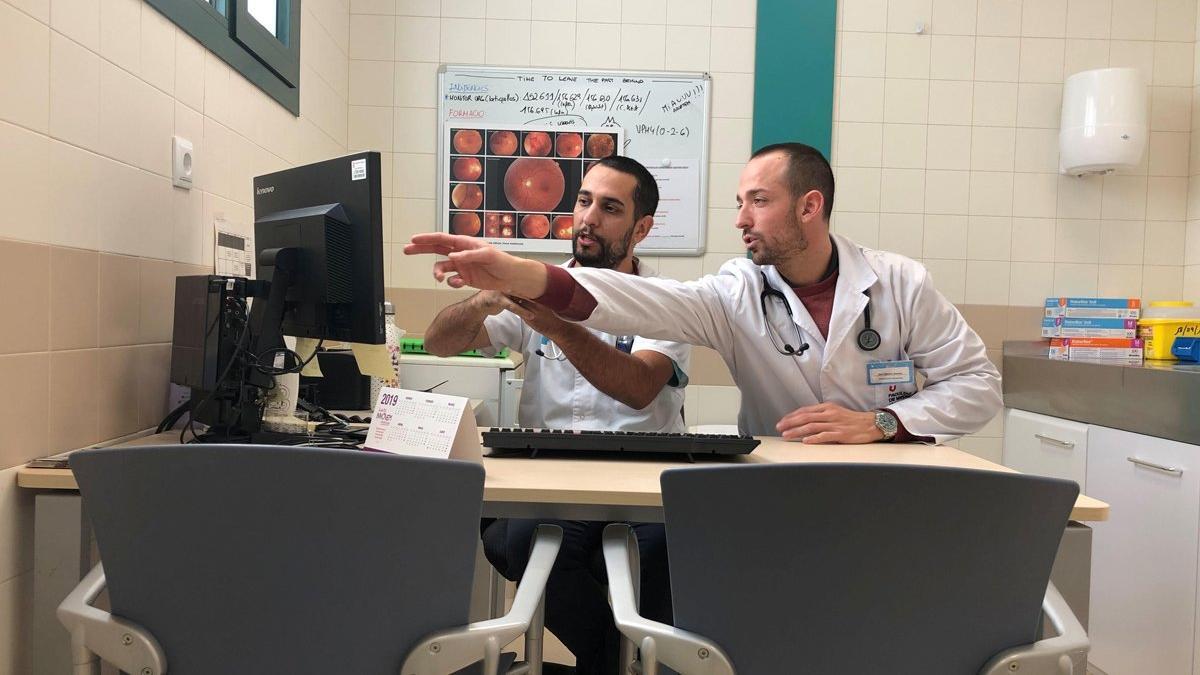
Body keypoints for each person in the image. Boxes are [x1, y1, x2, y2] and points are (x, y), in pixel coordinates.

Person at [406, 142, 1002, 444]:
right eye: (738, 203)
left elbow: (979, 385)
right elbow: (643, 302)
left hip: (888, 478)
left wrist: (884, 422)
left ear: (809, 206)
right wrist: (519, 277)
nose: (741, 219)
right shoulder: (736, 290)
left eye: (757, 202)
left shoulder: (900, 284)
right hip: (783, 482)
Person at [424, 155, 688, 675]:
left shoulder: (668, 302)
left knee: (665, 559)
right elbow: (437, 343)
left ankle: (639, 663)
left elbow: (638, 388)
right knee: (517, 539)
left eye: (609, 208)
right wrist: (483, 300)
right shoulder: (536, 286)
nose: (588, 218)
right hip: (552, 484)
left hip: (642, 490)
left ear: (642, 228)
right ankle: (612, 664)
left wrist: (560, 325)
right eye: (584, 201)